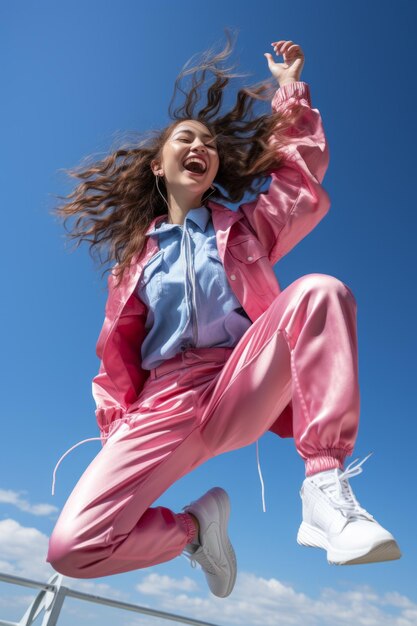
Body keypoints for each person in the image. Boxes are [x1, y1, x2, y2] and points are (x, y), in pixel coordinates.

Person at [47, 32, 401, 599]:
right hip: (160, 408)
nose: (201, 146)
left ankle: (324, 489)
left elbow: (300, 176)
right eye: (185, 138)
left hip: (239, 380)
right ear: (159, 167)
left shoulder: (245, 228)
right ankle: (197, 528)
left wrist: (290, 92)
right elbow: (113, 357)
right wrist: (118, 433)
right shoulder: (133, 263)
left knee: (320, 291)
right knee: (73, 549)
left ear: (213, 167)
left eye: (209, 143)